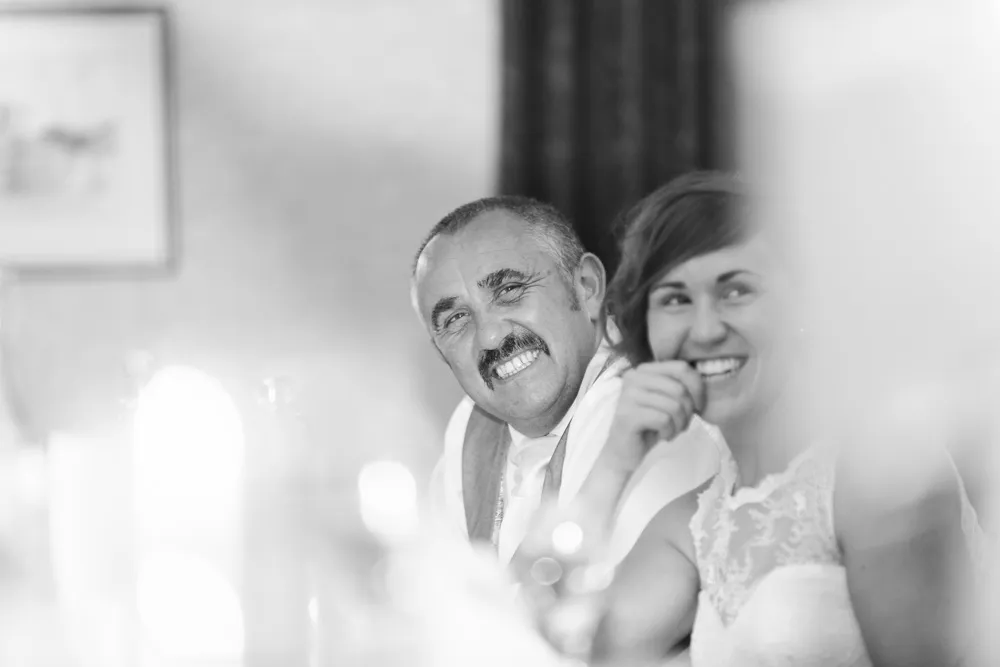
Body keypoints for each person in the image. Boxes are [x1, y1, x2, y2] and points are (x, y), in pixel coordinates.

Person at [561, 171, 986, 666]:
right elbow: (555, 644)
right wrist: (615, 460)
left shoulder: (879, 469)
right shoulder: (693, 525)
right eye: (675, 298)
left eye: (736, 291)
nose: (705, 329)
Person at [411, 195, 720, 568]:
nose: (490, 337)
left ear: (586, 287)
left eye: (509, 291)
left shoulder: (653, 415)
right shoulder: (469, 430)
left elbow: (585, 613)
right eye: (456, 319)